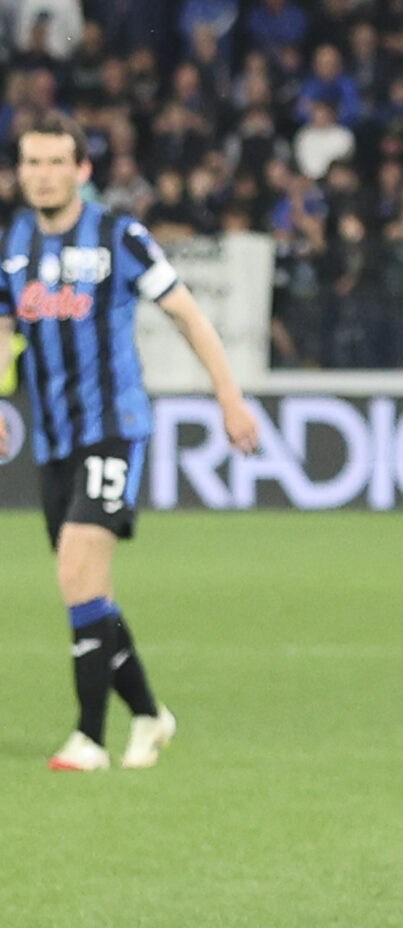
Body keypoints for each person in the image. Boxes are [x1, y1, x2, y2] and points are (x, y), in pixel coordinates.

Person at [2, 117, 258, 772]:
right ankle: (149, 714)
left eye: (57, 161)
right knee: (88, 593)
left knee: (78, 569)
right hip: (56, 441)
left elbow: (185, 312)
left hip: (114, 430)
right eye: (31, 161)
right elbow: (6, 331)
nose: (42, 173)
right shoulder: (15, 239)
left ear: (83, 170)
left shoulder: (119, 235)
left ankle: (89, 737)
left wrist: (227, 396)